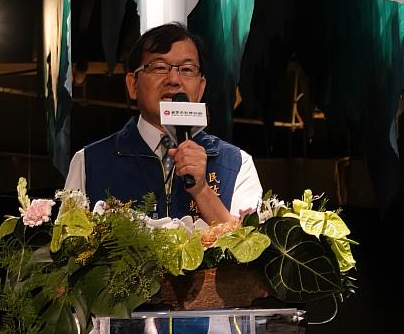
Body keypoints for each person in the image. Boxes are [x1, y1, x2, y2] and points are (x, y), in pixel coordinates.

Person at [64, 22, 262, 222]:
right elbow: (70, 248)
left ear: (201, 88)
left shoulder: (236, 164)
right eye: (159, 67)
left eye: (186, 69)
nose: (174, 79)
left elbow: (249, 248)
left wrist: (202, 189)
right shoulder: (89, 162)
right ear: (133, 85)